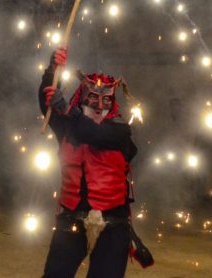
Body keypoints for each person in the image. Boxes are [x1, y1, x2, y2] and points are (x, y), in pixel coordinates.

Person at [40, 47, 138, 278]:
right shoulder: (66, 126)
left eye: (105, 99)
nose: (98, 105)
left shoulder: (120, 132)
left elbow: (93, 134)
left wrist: (68, 110)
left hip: (113, 224)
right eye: (93, 97)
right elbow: (47, 102)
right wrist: (52, 69)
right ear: (82, 96)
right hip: (71, 219)